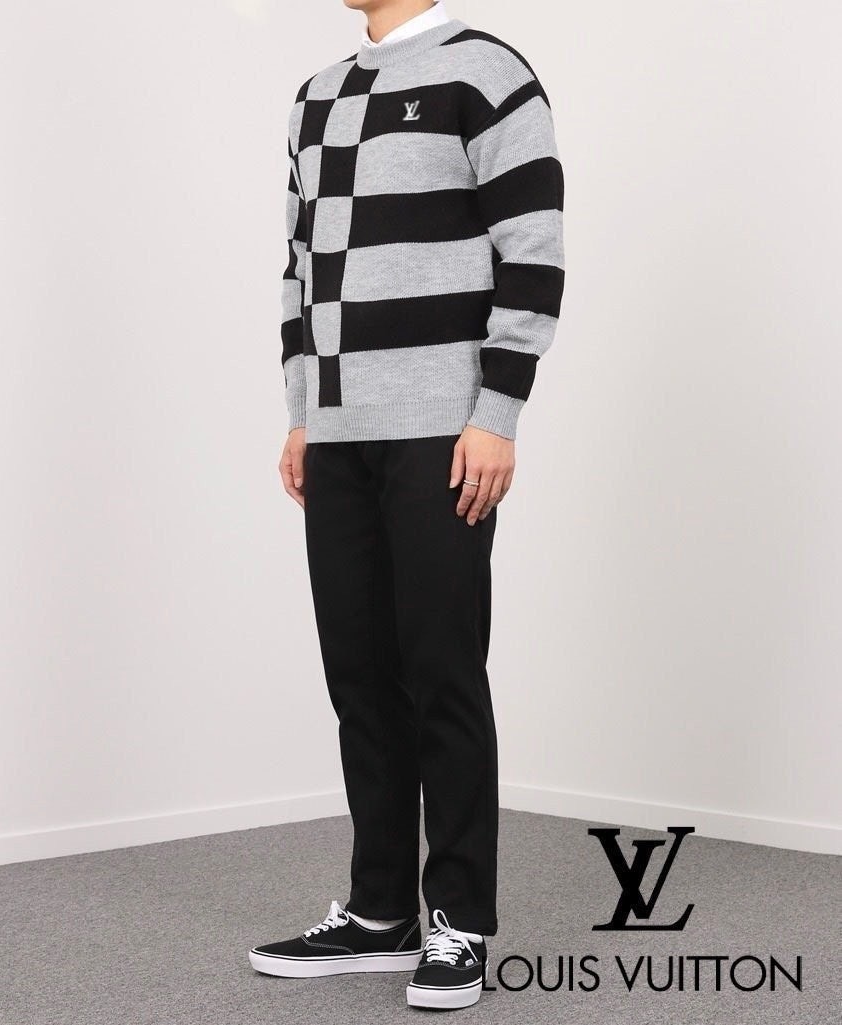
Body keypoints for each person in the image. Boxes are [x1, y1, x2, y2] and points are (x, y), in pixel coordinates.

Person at [249, 0, 564, 1010]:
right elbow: (301, 269)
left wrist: (496, 415)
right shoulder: (316, 96)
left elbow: (533, 248)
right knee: (360, 676)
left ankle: (459, 917)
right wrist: (303, 413)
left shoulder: (485, 71)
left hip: (442, 430)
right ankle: (379, 910)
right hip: (337, 436)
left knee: (440, 671)